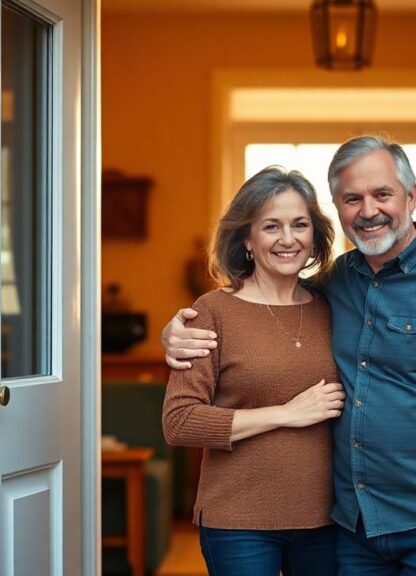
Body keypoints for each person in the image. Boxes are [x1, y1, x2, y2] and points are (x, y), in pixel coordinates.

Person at [163, 136, 416, 575]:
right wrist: (178, 331)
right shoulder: (336, 285)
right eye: (353, 198)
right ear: (337, 208)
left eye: (382, 194)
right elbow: (262, 310)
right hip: (355, 528)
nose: (368, 210)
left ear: (411, 196)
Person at [161, 166, 346, 576]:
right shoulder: (212, 312)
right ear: (246, 238)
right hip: (238, 520)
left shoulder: (335, 306)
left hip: (328, 517)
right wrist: (286, 413)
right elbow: (179, 422)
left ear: (314, 235)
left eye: (300, 225)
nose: (287, 239)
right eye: (270, 226)